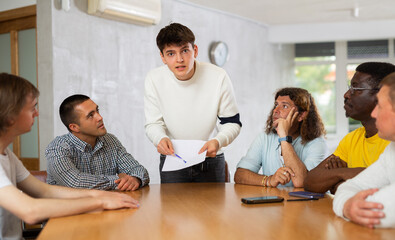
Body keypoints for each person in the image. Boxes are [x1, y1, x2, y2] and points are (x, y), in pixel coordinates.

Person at [0, 73, 139, 239]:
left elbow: (45, 191)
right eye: (32, 108)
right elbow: (31, 212)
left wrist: (102, 194)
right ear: (10, 117)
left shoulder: (7, 154)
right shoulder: (58, 147)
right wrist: (101, 201)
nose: (37, 114)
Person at [144, 23, 241, 183]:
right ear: (162, 57)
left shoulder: (218, 76)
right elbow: (153, 123)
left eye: (184, 51)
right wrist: (159, 139)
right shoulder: (153, 79)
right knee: (173, 208)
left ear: (195, 50)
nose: (179, 59)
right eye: (171, 53)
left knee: (214, 209)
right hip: (173, 159)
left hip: (211, 160)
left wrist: (218, 141)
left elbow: (232, 122)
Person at [304, 62, 395, 194]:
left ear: (380, 95)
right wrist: (346, 176)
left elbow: (384, 188)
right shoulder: (352, 139)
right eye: (349, 87)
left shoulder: (390, 141)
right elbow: (310, 181)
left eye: (356, 89)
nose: (346, 94)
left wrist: (337, 178)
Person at [46, 94, 149, 191]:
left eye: (97, 110)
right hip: (67, 208)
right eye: (91, 115)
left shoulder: (110, 140)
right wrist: (118, 179)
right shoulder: (57, 148)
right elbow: (76, 183)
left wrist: (135, 179)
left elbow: (138, 170)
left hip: (107, 206)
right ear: (74, 127)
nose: (100, 117)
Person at [333, 72, 395, 229]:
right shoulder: (392, 150)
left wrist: (348, 206)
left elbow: (377, 211)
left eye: (380, 106)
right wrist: (347, 206)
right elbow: (348, 188)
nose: (374, 114)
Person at [234, 87, 328, 187]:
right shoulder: (265, 138)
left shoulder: (317, 144)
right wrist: (269, 180)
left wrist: (284, 137)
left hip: (306, 202)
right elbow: (239, 175)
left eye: (285, 106)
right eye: (276, 105)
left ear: (301, 115)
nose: (276, 110)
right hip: (275, 201)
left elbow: (301, 182)